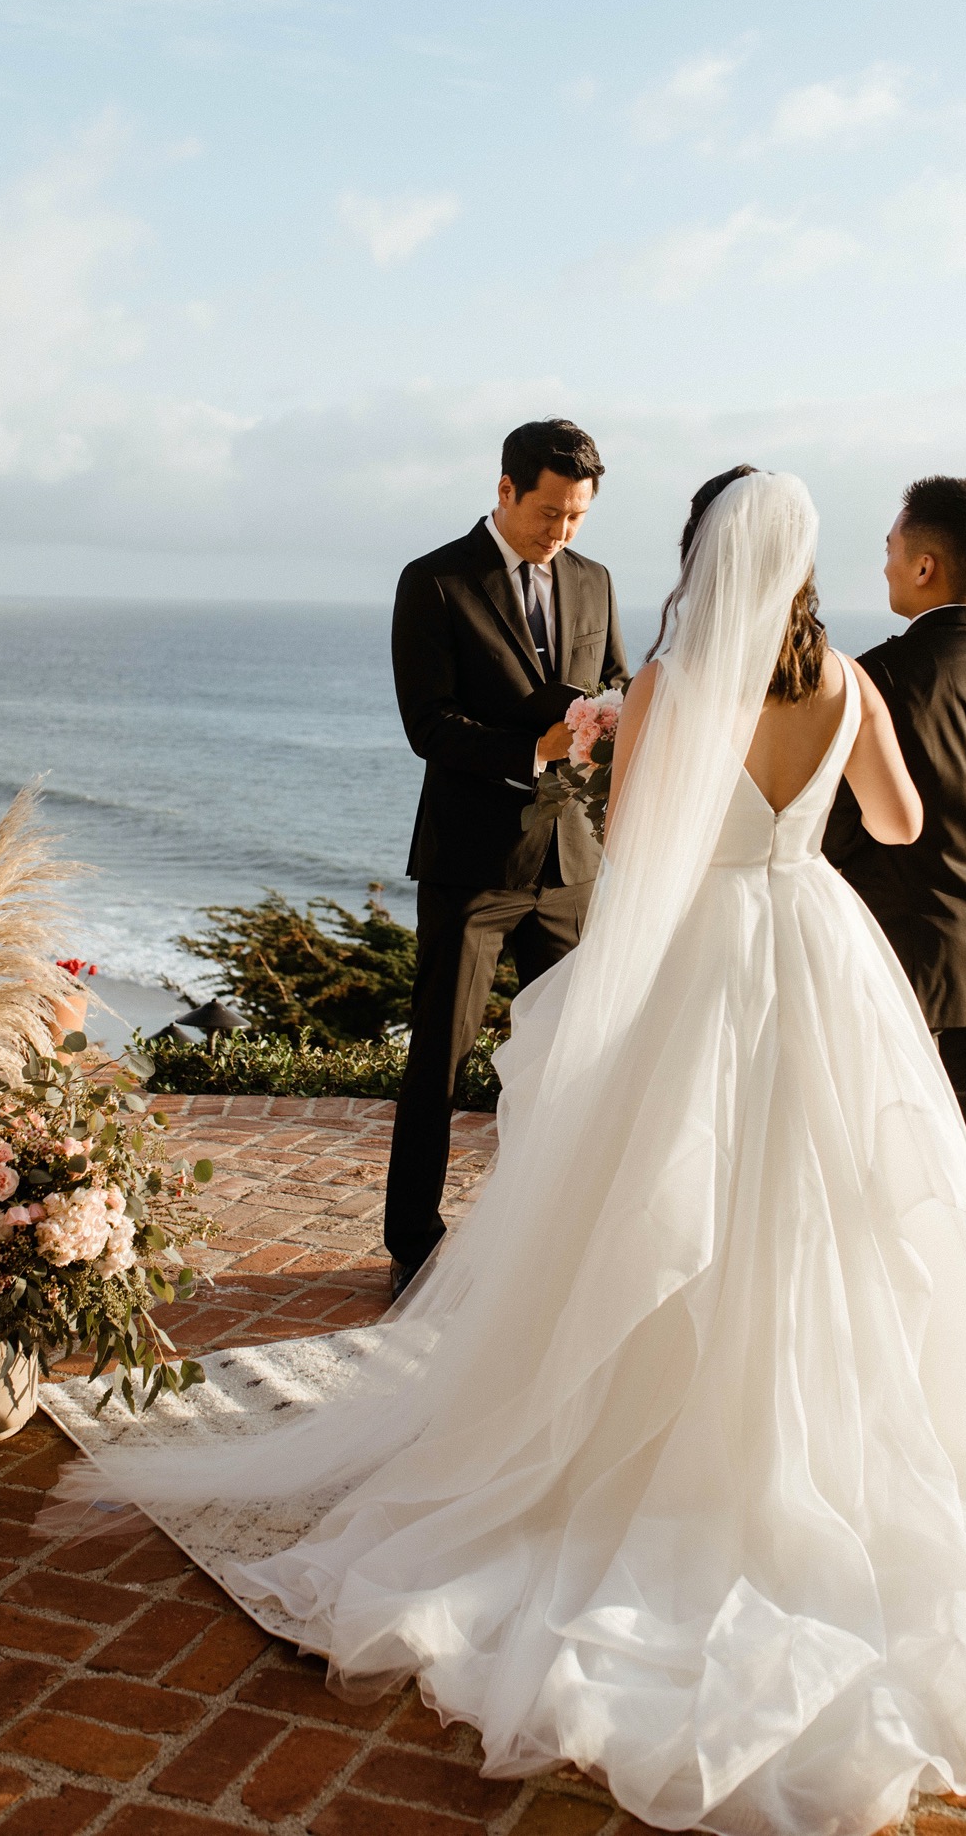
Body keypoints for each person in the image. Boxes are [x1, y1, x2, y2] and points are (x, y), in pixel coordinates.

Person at [72, 468, 966, 1836]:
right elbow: (903, 826)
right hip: (818, 954)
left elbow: (634, 858)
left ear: (709, 559)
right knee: (829, 1208)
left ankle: (647, 1436)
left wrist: (637, 775)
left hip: (708, 961)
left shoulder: (679, 694)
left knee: (662, 1199)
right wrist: (798, 833)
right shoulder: (856, 692)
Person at [385, 418, 628, 1297]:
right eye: (549, 513)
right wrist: (536, 748)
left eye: (576, 517)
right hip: (472, 865)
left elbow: (617, 692)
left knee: (571, 1059)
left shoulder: (595, 582)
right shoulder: (434, 582)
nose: (560, 533)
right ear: (504, 489)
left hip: (572, 865)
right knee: (439, 1062)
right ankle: (413, 1243)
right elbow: (430, 727)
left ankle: (547, 1241)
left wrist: (603, 738)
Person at [823, 477, 966, 1210]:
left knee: (876, 1148)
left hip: (892, 951)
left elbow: (834, 828)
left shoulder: (878, 677)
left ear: (926, 566)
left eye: (892, 548)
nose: (886, 563)